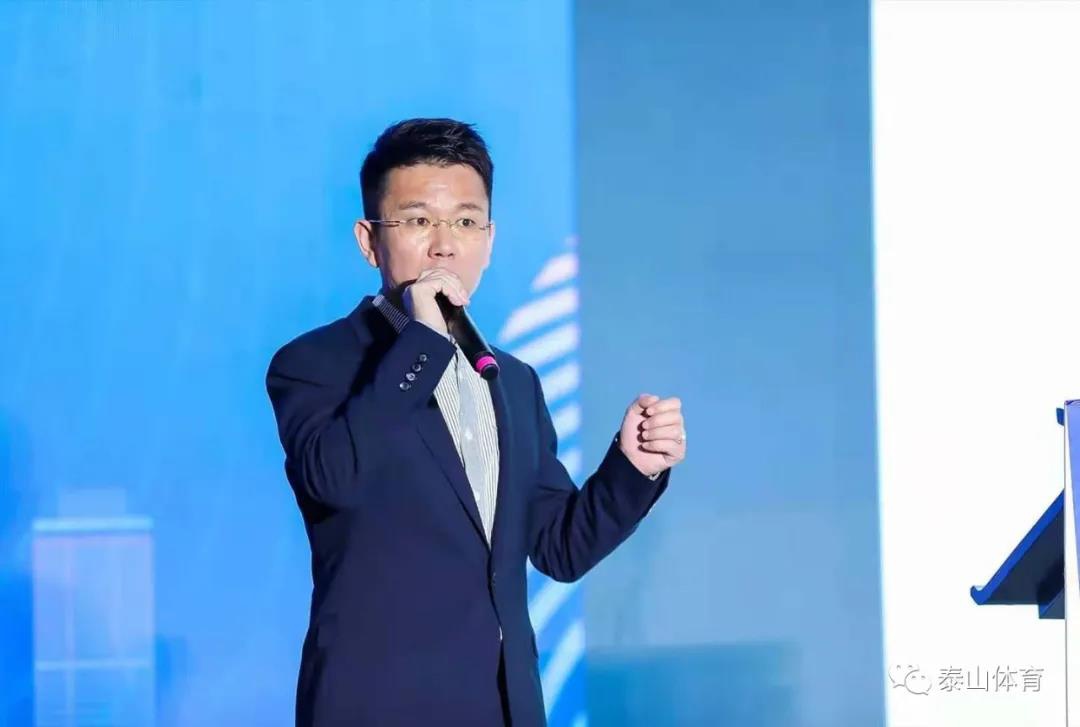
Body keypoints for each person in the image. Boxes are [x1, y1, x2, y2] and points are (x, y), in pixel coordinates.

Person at [266, 118, 687, 727]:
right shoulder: (315, 363)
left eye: (466, 222)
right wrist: (421, 343)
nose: (444, 245)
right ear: (369, 241)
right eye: (417, 221)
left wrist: (632, 468)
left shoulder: (512, 380)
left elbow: (559, 548)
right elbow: (337, 480)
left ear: (489, 241)